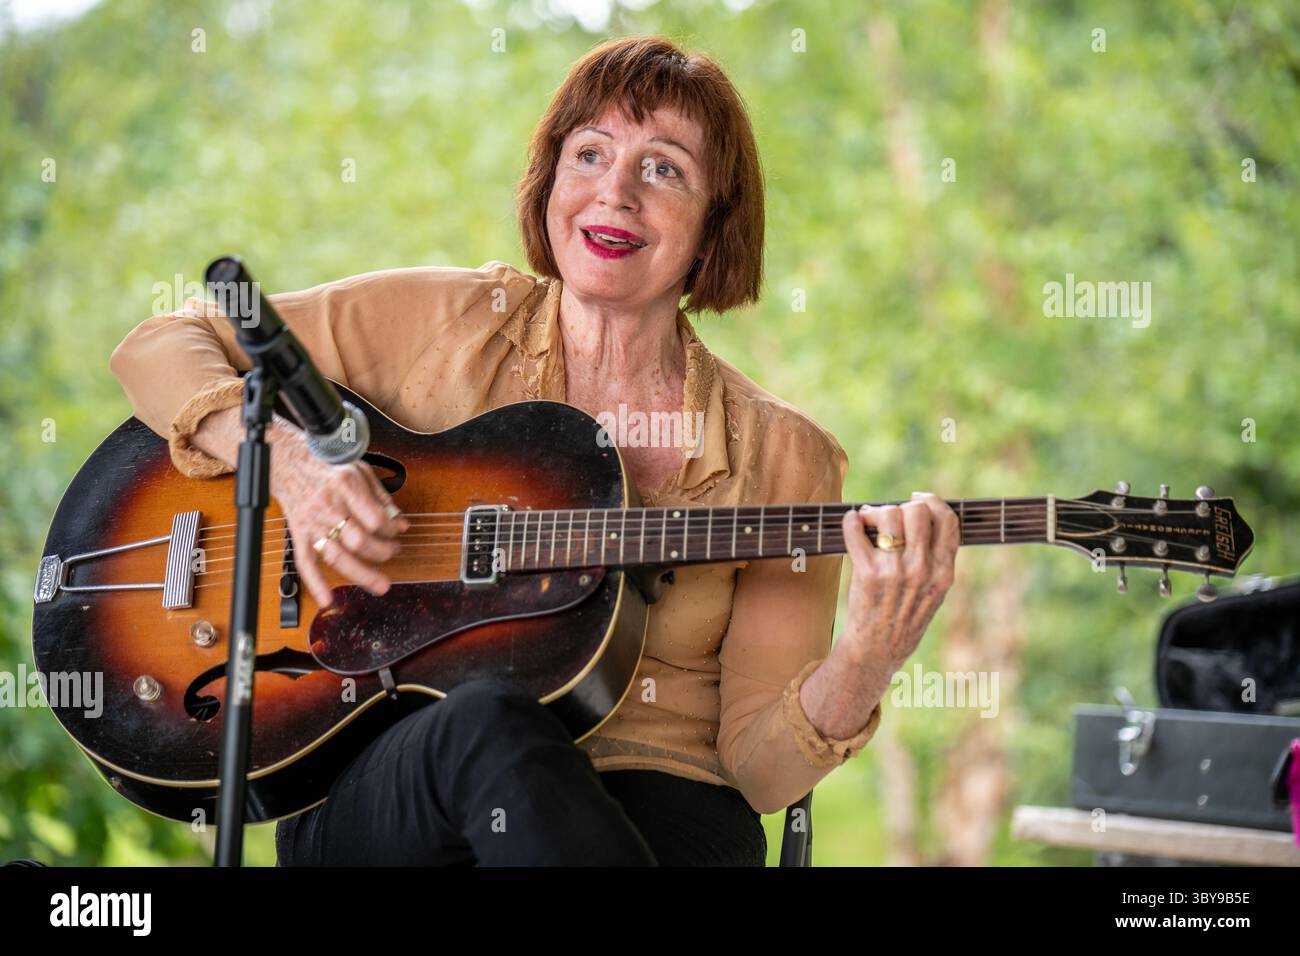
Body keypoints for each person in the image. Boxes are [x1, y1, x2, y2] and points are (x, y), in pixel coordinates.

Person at [108, 35, 959, 866]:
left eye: (663, 168)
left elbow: (760, 770)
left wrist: (868, 658)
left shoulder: (782, 455)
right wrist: (289, 462)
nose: (615, 193)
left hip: (663, 806)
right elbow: (164, 341)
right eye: (589, 154)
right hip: (400, 781)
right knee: (487, 719)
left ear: (712, 230)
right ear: (550, 180)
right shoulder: (450, 322)